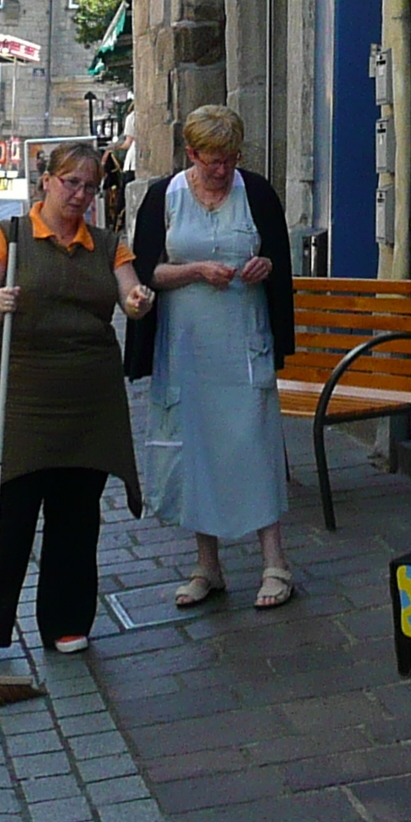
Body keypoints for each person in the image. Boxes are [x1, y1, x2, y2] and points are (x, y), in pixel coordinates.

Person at [0, 140, 152, 666]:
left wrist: (136, 301)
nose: (81, 195)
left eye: (90, 186)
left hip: (89, 395)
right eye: (72, 183)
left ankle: (66, 621)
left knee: (77, 511)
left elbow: (130, 296)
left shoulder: (108, 244)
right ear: (47, 181)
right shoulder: (9, 236)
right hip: (22, 390)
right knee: (8, 510)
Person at [118, 103, 298, 610]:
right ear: (191, 153)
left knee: (254, 442)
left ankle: (275, 562)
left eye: (230, 159)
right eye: (212, 159)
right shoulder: (164, 197)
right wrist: (196, 270)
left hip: (243, 340)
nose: (221, 170)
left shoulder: (256, 192)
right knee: (192, 446)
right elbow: (146, 270)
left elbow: (280, 263)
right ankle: (207, 565)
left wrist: (264, 266)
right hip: (186, 345)